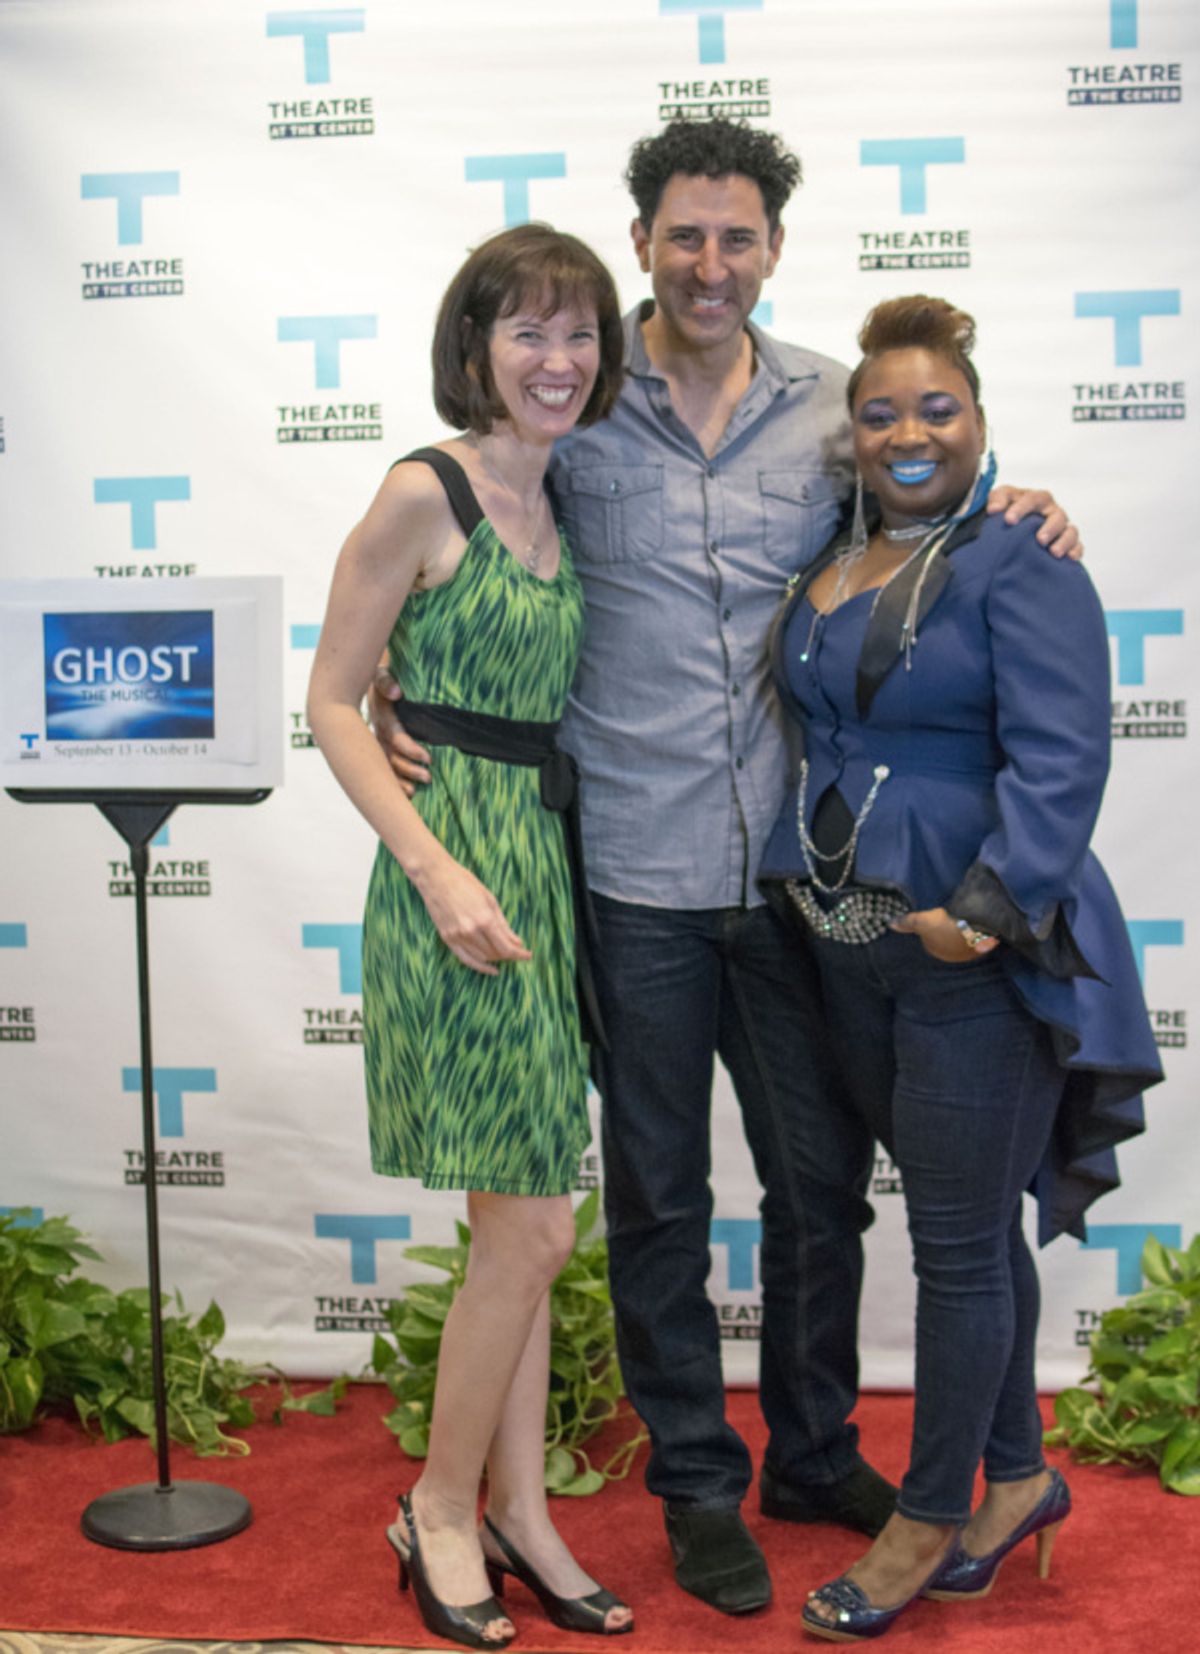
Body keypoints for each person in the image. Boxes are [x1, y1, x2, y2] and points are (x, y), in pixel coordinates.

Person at [376, 118, 1080, 1616]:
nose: (711, 263)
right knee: (659, 1197)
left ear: (771, 248)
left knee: (822, 1187)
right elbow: (473, 550)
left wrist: (1024, 503)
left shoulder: (834, 407)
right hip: (626, 870)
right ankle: (696, 1483)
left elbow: (928, 511)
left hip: (797, 878)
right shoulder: (574, 403)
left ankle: (811, 1452)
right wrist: (397, 691)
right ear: (642, 242)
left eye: (738, 237)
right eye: (684, 236)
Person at [756, 295, 1160, 1642]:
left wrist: (981, 912)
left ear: (980, 420)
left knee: (955, 1248)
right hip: (851, 948)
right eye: (880, 413)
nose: (909, 432)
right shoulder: (835, 551)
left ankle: (927, 1517)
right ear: (853, 434)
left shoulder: (1021, 559)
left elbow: (1065, 757)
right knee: (973, 1224)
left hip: (973, 953)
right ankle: (1023, 1475)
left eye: (937, 408)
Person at [306, 223, 634, 1648]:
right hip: (454, 887)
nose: (557, 360)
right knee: (537, 1223)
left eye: (580, 334)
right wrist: (434, 869)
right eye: (528, 332)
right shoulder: (418, 491)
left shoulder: (562, 493)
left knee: (523, 1224)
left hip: (541, 873)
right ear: (475, 346)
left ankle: (522, 1512)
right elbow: (330, 699)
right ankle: (439, 1507)